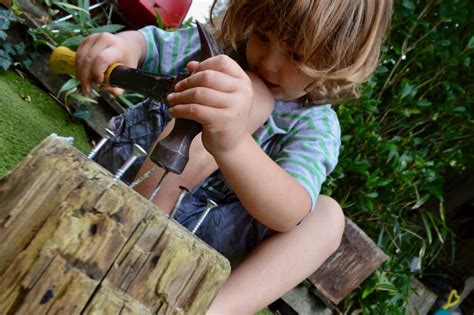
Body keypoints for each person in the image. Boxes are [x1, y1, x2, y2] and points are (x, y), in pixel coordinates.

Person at [75, 0, 392, 313]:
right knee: (249, 90)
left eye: (296, 55)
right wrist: (123, 47)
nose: (268, 62)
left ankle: (208, 310)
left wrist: (233, 143)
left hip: (203, 232)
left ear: (334, 64)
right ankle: (130, 233)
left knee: (328, 218)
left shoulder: (316, 127)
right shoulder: (220, 51)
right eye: (263, 36)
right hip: (130, 178)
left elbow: (290, 211)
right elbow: (150, 45)